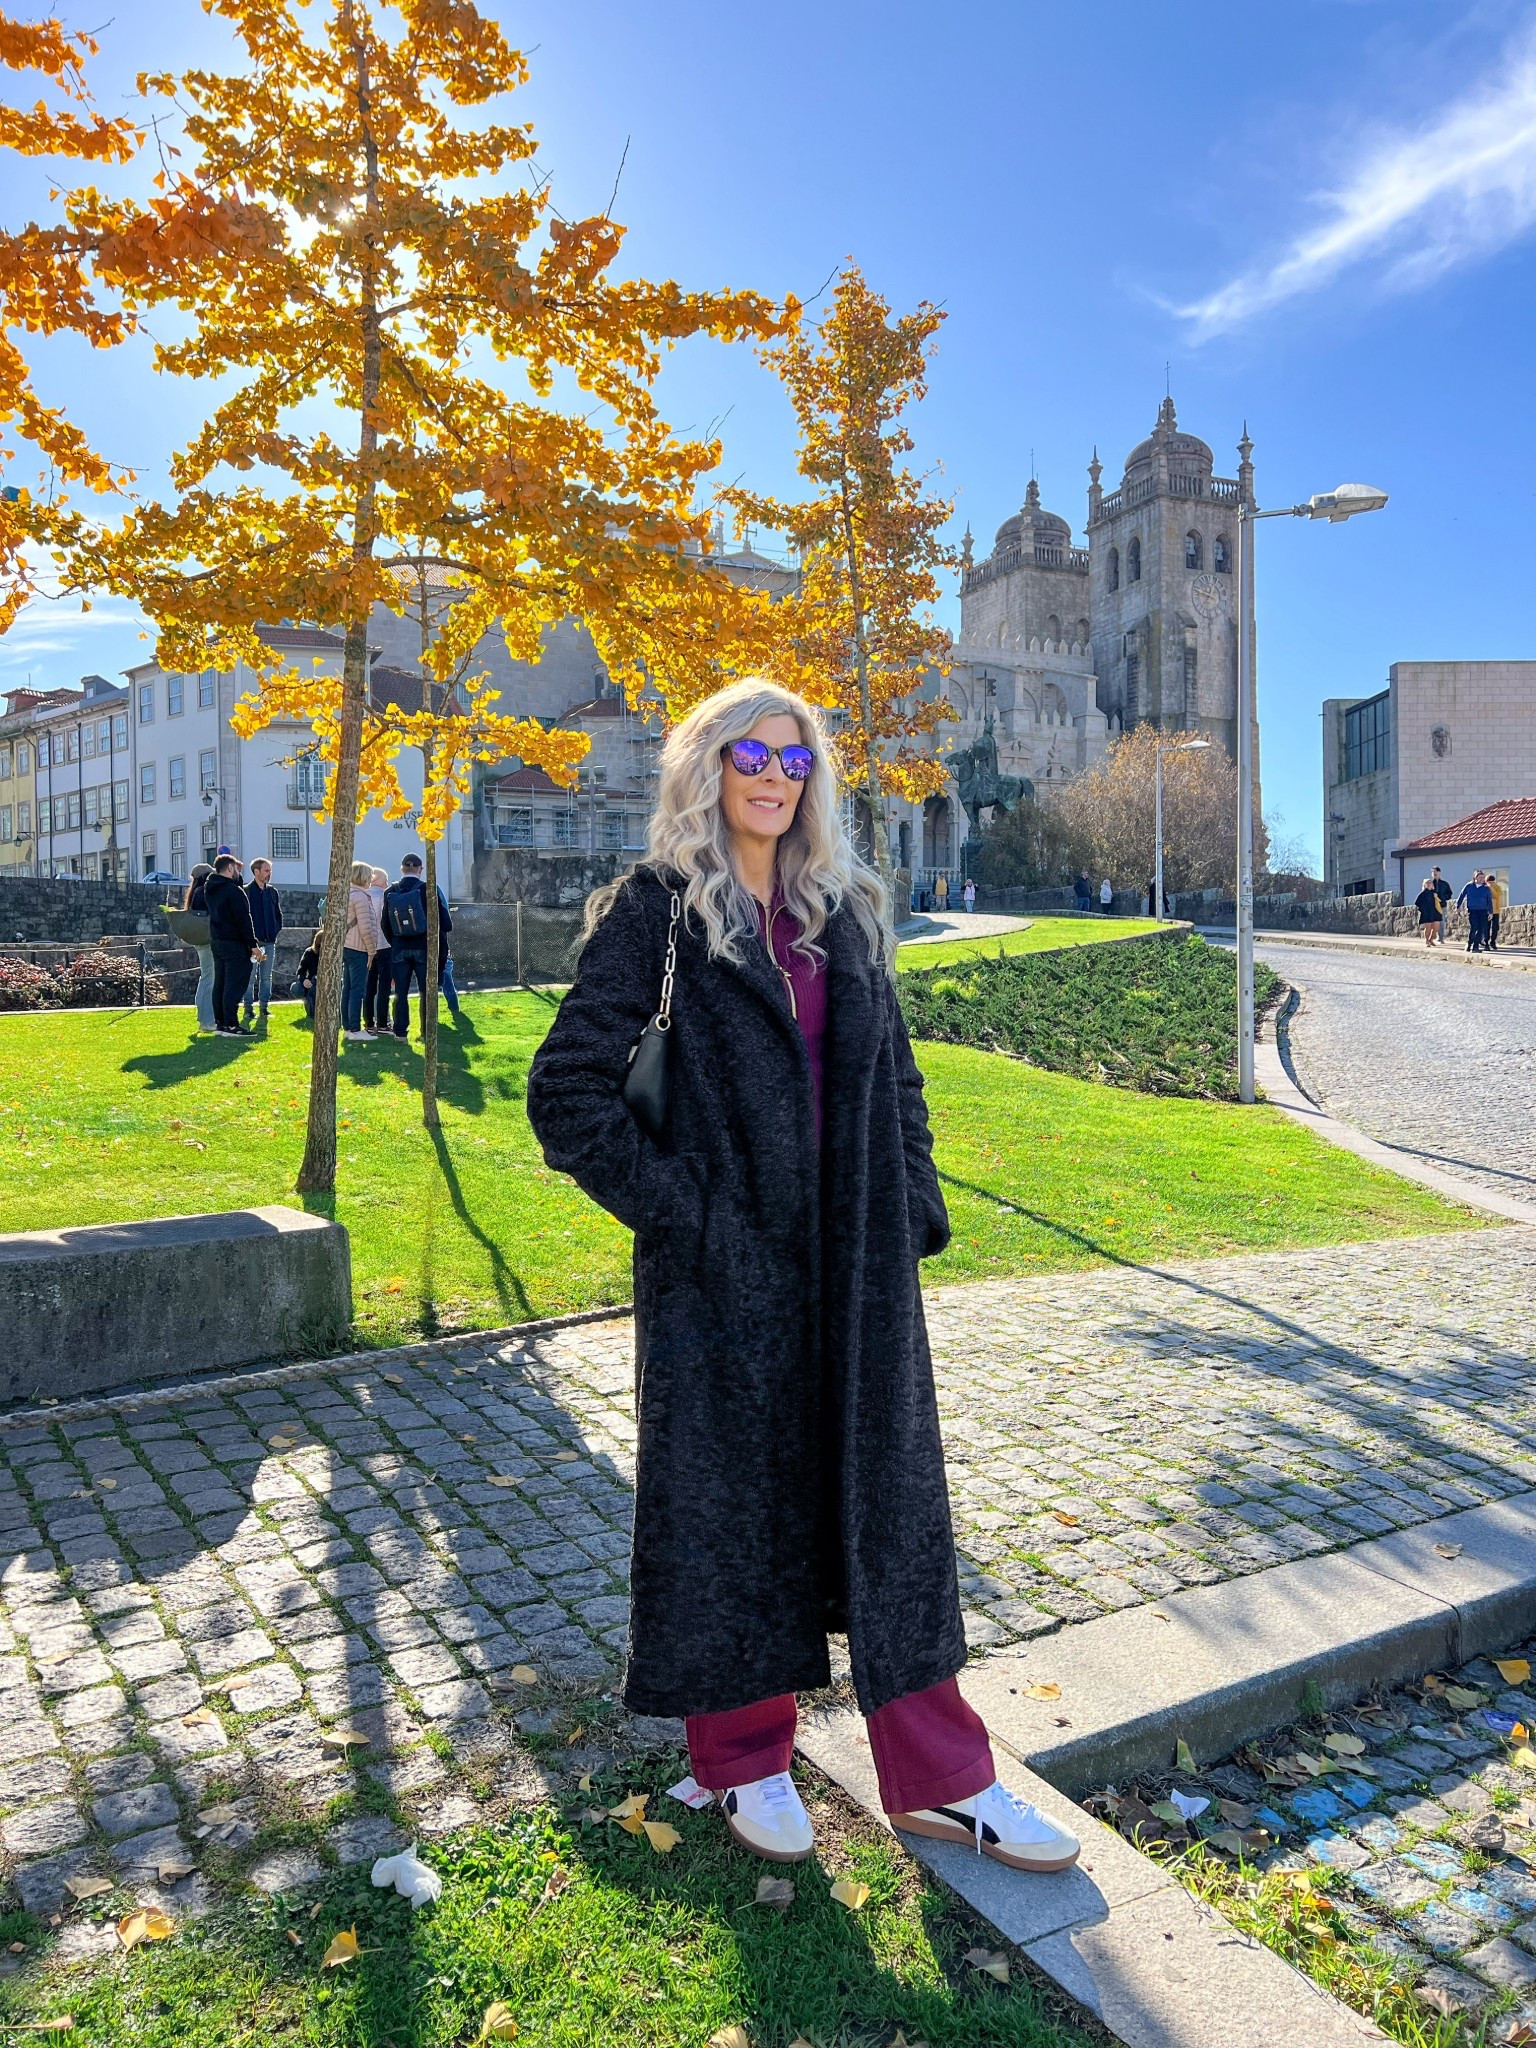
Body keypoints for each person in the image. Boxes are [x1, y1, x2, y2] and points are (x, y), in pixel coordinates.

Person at [526, 679, 1080, 1877]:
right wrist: (695, 1219)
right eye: (751, 754)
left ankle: (945, 1776)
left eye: (794, 757)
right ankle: (741, 1755)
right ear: (709, 766)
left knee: (893, 1519)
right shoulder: (657, 909)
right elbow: (566, 1092)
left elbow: (901, 1078)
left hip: (858, 1264)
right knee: (733, 1507)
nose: (774, 776)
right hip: (726, 1274)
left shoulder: (848, 910)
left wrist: (913, 1205)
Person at [381, 853, 452, 1039]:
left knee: (400, 993)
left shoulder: (390, 891)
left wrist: (396, 941)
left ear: (402, 868)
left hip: (399, 949)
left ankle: (400, 1033)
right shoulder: (428, 889)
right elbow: (445, 923)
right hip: (424, 948)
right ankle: (427, 1033)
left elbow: (385, 924)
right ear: (421, 869)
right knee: (426, 992)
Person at [205, 853, 260, 1036]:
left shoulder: (211, 889)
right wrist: (253, 944)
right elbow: (244, 919)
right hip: (235, 943)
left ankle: (221, 1023)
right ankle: (231, 1024)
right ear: (230, 868)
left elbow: (234, 886)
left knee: (220, 983)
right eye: (236, 868)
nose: (238, 871)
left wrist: (236, 876)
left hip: (217, 940)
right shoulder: (233, 891)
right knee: (234, 985)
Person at [342, 859, 381, 1041]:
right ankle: (355, 1029)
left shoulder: (348, 894)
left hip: (348, 945)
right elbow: (366, 927)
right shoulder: (361, 897)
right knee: (357, 989)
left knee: (348, 988)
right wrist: (372, 950)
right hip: (358, 947)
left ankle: (348, 1027)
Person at [242, 858, 284, 1025]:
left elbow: (278, 915)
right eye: (266, 871)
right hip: (253, 944)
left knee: (266, 977)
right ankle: (248, 1009)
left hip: (269, 942)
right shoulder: (246, 892)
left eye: (270, 871)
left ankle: (264, 1007)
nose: (269, 874)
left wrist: (274, 930)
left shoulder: (272, 892)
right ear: (256, 872)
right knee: (250, 977)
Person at [183, 863, 216, 1032]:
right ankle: (206, 1020)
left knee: (206, 977)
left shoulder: (195, 893)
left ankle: (203, 1016)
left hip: (201, 940)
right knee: (209, 979)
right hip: (207, 940)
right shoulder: (203, 892)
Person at [364, 867, 393, 1032]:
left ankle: (368, 1022)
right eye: (386, 879)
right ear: (380, 880)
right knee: (384, 986)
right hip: (384, 945)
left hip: (368, 946)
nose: (387, 883)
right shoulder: (384, 896)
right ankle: (382, 1022)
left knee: (369, 986)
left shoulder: (365, 895)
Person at [1457, 869, 1493, 954]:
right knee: (1474, 927)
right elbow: (1462, 895)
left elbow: (1489, 900)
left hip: (1483, 910)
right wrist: (1458, 906)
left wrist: (1490, 912)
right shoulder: (1469, 886)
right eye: (1480, 877)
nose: (1482, 879)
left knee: (1481, 929)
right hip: (1472, 910)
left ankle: (1475, 946)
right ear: (1475, 878)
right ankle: (1469, 943)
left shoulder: (1486, 888)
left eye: (1483, 877)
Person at [290, 941, 320, 1019]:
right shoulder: (309, 952)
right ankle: (308, 1003)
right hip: (311, 983)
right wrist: (304, 980)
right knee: (296, 988)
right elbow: (300, 971)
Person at [1413, 876, 1442, 949]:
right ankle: (1427, 940)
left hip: (1435, 912)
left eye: (1430, 882)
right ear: (1424, 885)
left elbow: (1440, 900)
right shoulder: (1422, 894)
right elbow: (1417, 903)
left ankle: (1431, 939)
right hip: (1426, 913)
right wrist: (1423, 909)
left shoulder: (1435, 893)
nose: (1429, 884)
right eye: (1427, 883)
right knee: (1428, 927)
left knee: (1436, 926)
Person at [1430, 866, 1452, 944]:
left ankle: (1440, 938)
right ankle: (1431, 937)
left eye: (1436, 871)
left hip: (1442, 906)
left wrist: (1443, 898)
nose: (1434, 873)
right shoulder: (1430, 883)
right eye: (1433, 872)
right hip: (1432, 906)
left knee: (1441, 922)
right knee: (1432, 922)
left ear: (1439, 872)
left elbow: (1450, 894)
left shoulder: (1444, 884)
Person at [1488, 869, 1507, 951]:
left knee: (1495, 928)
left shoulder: (1497, 888)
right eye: (1490, 882)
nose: (1491, 883)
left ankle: (1493, 941)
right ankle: (1485, 941)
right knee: (1486, 927)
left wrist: (1491, 888)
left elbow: (1496, 895)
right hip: (1487, 911)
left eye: (1492, 882)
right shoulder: (1485, 888)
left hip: (1495, 910)